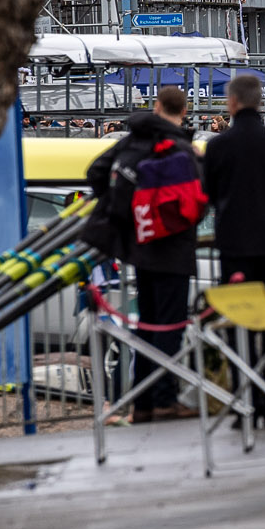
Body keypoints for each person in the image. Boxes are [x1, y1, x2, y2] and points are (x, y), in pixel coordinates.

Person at [85, 85, 207, 423]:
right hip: (175, 249)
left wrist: (123, 216)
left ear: (155, 106)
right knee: (169, 327)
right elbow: (198, 200)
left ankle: (141, 403)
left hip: (140, 246)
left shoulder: (132, 141)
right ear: (183, 111)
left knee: (146, 324)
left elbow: (95, 173)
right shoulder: (183, 148)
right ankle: (164, 400)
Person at [201, 73, 265, 427]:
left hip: (237, 248)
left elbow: (209, 195)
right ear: (260, 102)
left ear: (231, 102)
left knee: (241, 325)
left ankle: (249, 402)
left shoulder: (218, 147)